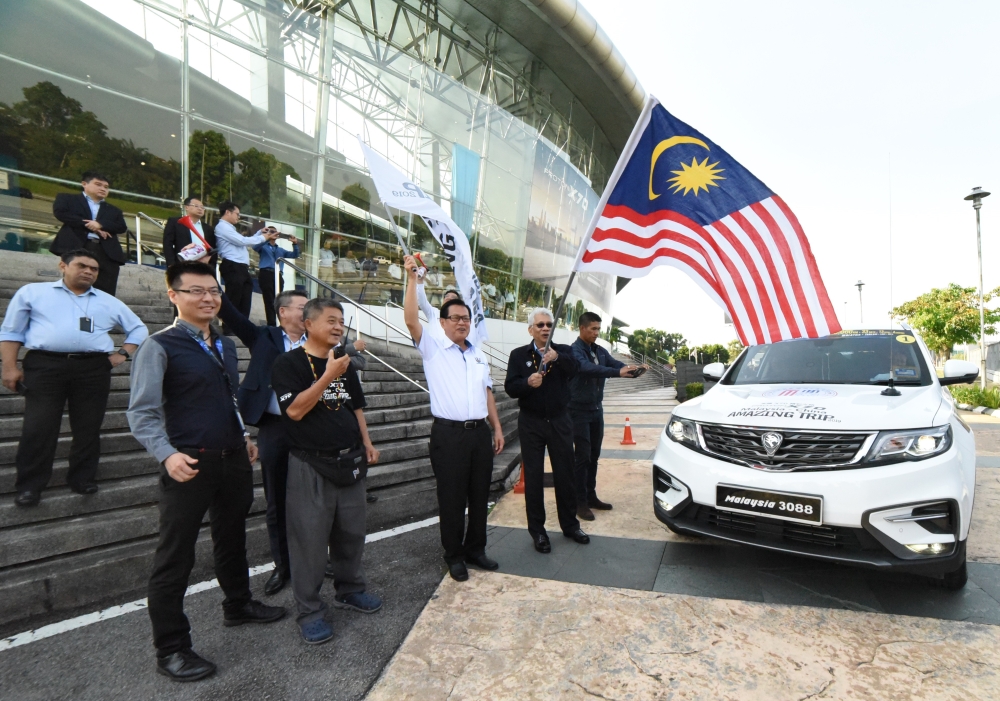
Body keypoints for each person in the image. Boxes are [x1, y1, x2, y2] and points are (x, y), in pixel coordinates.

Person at [126, 261, 285, 682]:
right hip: (188, 462)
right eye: (196, 291)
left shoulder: (226, 346)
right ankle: (172, 649)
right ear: (173, 296)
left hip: (232, 457)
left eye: (213, 291)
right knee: (174, 557)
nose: (208, 298)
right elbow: (141, 413)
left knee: (231, 538)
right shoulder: (159, 346)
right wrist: (166, 454)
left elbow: (229, 397)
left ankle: (237, 604)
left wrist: (243, 435)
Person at [271, 298, 382, 645]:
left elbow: (356, 407)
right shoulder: (287, 363)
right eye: (331, 321)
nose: (338, 327)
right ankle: (310, 611)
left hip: (349, 460)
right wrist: (328, 375)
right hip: (310, 464)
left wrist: (367, 442)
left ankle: (350, 589)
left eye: (341, 321)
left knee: (351, 533)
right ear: (308, 323)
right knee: (309, 542)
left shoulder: (344, 363)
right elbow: (295, 411)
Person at [0, 250, 148, 506]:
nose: (89, 271)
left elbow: (138, 328)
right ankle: (29, 486)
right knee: (39, 427)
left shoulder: (107, 301)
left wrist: (122, 354)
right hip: (45, 365)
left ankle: (82, 478)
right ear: (62, 266)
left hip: (92, 368)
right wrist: (9, 367)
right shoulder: (33, 293)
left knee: (88, 426)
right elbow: (11, 331)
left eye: (94, 268)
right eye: (82, 266)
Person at [403, 255, 505, 581]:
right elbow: (410, 321)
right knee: (451, 497)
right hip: (449, 436)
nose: (462, 322)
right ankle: (454, 554)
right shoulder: (433, 349)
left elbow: (487, 392)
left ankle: (476, 548)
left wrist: (497, 428)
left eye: (466, 318)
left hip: (479, 435)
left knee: (479, 495)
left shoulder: (476, 353)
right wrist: (411, 279)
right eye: (455, 318)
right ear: (443, 322)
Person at [215, 288, 308, 597]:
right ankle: (283, 566)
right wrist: (208, 272)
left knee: (315, 498)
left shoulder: (319, 341)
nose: (308, 313)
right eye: (302, 307)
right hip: (275, 428)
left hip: (312, 427)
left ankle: (316, 558)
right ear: (283, 312)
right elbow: (229, 312)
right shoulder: (263, 337)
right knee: (277, 501)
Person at [504, 308, 588, 553]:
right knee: (534, 478)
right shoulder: (519, 355)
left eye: (549, 324)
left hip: (560, 421)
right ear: (531, 329)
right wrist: (527, 383)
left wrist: (556, 358)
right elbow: (511, 387)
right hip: (531, 423)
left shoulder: (564, 351)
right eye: (539, 325)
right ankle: (538, 532)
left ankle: (570, 525)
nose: (545, 329)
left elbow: (575, 369)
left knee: (565, 474)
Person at [569, 312, 646, 521]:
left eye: (598, 329)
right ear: (582, 328)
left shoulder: (600, 350)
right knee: (582, 456)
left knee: (594, 455)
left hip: (596, 410)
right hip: (578, 411)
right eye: (593, 329)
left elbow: (614, 364)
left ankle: (591, 495)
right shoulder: (575, 351)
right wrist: (617, 372)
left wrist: (633, 369)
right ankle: (580, 502)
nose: (596, 332)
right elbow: (587, 369)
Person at [50, 172, 127, 296]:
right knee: (75, 284)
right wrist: (91, 226)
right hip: (78, 245)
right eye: (98, 184)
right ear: (84, 184)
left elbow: (121, 227)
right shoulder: (67, 199)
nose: (103, 189)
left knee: (105, 289)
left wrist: (100, 224)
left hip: (105, 251)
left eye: (106, 187)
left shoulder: (114, 210)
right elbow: (61, 213)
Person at [214, 201, 271, 323]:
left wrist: (259, 233)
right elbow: (242, 241)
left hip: (240, 267)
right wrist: (263, 237)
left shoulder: (230, 228)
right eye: (237, 214)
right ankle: (229, 326)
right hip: (232, 265)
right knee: (234, 297)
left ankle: (242, 324)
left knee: (245, 297)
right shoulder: (222, 227)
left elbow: (242, 241)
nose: (238, 217)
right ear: (228, 212)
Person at [253, 227, 300, 326]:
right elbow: (255, 247)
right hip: (266, 273)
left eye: (275, 232)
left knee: (278, 299)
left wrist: (295, 243)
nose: (274, 234)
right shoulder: (263, 246)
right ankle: (272, 323)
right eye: (271, 232)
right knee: (268, 298)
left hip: (277, 274)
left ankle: (279, 321)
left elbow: (295, 255)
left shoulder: (280, 250)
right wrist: (266, 237)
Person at [162, 198, 218, 271]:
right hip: (182, 264)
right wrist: (171, 264)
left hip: (202, 266)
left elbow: (212, 249)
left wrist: (211, 267)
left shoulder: (208, 229)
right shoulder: (175, 222)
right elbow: (167, 243)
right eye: (196, 206)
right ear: (186, 207)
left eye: (202, 207)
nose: (200, 209)